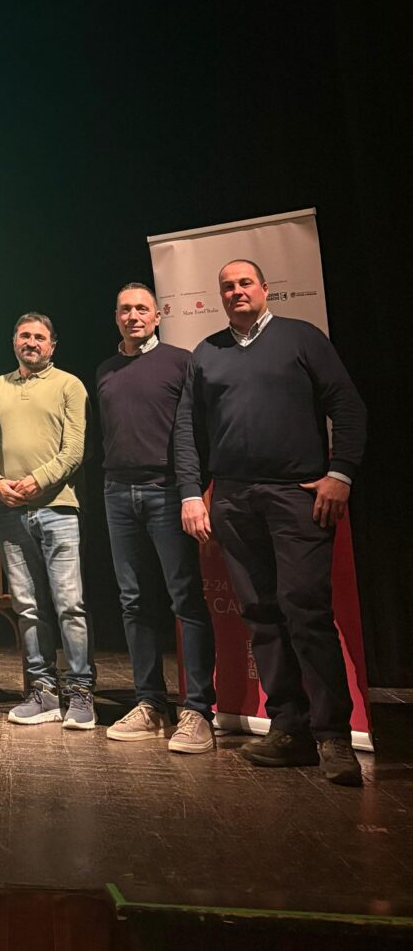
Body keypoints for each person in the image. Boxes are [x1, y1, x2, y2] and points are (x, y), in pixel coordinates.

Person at [175, 259, 367, 786]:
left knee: (306, 611)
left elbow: (348, 407)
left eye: (245, 283)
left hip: (296, 496)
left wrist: (341, 474)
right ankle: (290, 730)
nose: (236, 291)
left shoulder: (301, 338)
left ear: (264, 289)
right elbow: (187, 431)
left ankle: (334, 737)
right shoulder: (206, 353)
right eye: (227, 286)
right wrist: (191, 492)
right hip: (233, 499)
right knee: (260, 615)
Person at [96, 284, 215, 752]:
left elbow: (196, 431)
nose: (134, 316)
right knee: (133, 601)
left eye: (142, 309)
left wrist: (192, 491)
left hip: (167, 492)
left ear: (158, 315)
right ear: (116, 316)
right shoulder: (105, 370)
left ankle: (198, 710)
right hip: (116, 493)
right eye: (125, 309)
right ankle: (149, 704)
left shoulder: (180, 362)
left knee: (185, 598)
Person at [0, 313, 94, 729]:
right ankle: (43, 692)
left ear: (52, 345)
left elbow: (75, 449)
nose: (32, 342)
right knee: (27, 607)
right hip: (9, 512)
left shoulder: (69, 385)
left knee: (69, 605)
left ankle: (80, 692)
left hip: (58, 510)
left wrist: (38, 480)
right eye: (25, 335)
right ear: (14, 341)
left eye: (40, 337)